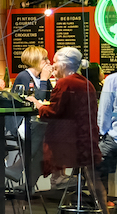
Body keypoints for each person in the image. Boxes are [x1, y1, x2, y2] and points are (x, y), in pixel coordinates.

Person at [35, 48, 106, 205]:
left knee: (35, 151)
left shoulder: (64, 83)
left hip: (70, 147)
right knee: (94, 180)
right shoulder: (87, 84)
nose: (53, 67)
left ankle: (57, 185)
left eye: (55, 63)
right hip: (88, 142)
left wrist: (38, 105)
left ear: (64, 65)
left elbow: (53, 112)